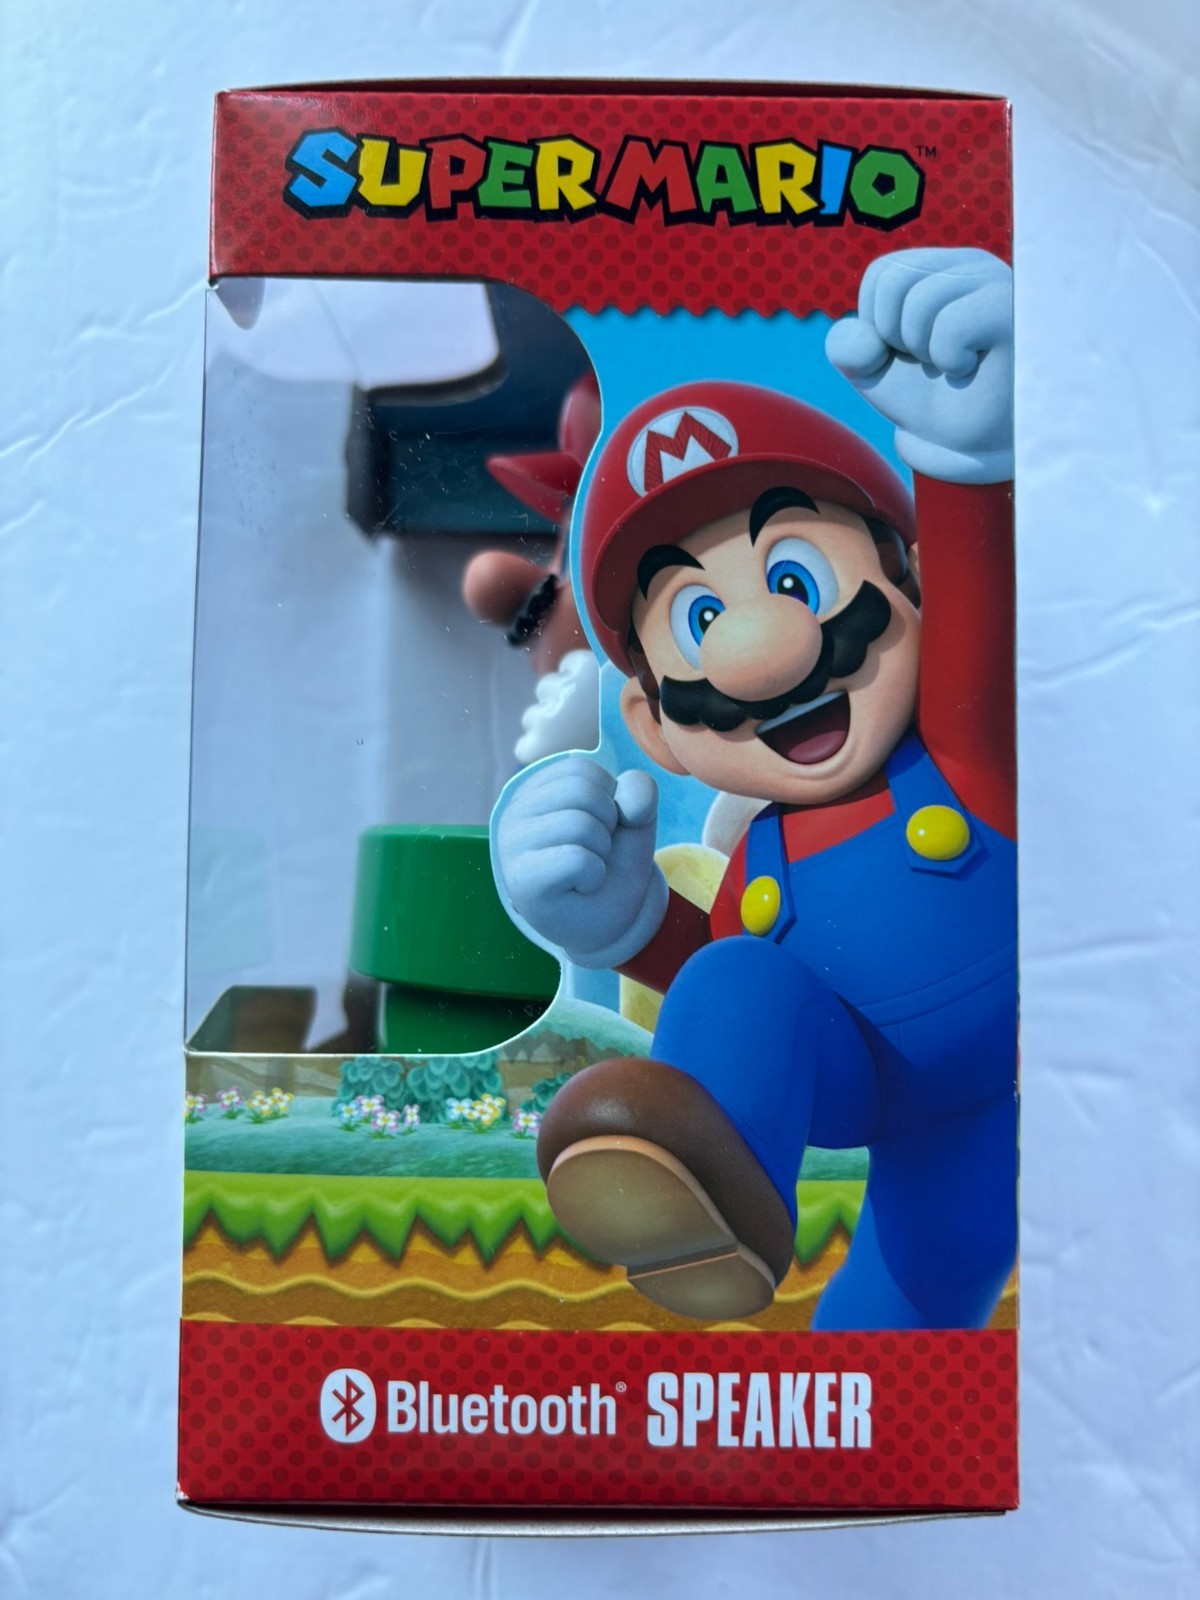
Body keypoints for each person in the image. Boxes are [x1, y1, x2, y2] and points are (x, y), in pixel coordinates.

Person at [493, 249, 1016, 1328]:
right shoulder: (757, 858)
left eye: (794, 578)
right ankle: (713, 1203)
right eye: (698, 619)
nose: (760, 656)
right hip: (856, 1081)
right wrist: (627, 923)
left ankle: (871, 1384)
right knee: (736, 977)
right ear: (653, 728)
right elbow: (734, 992)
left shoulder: (962, 754)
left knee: (922, 1290)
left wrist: (967, 465)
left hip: (1021, 1073)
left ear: (914, 587)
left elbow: (981, 634)